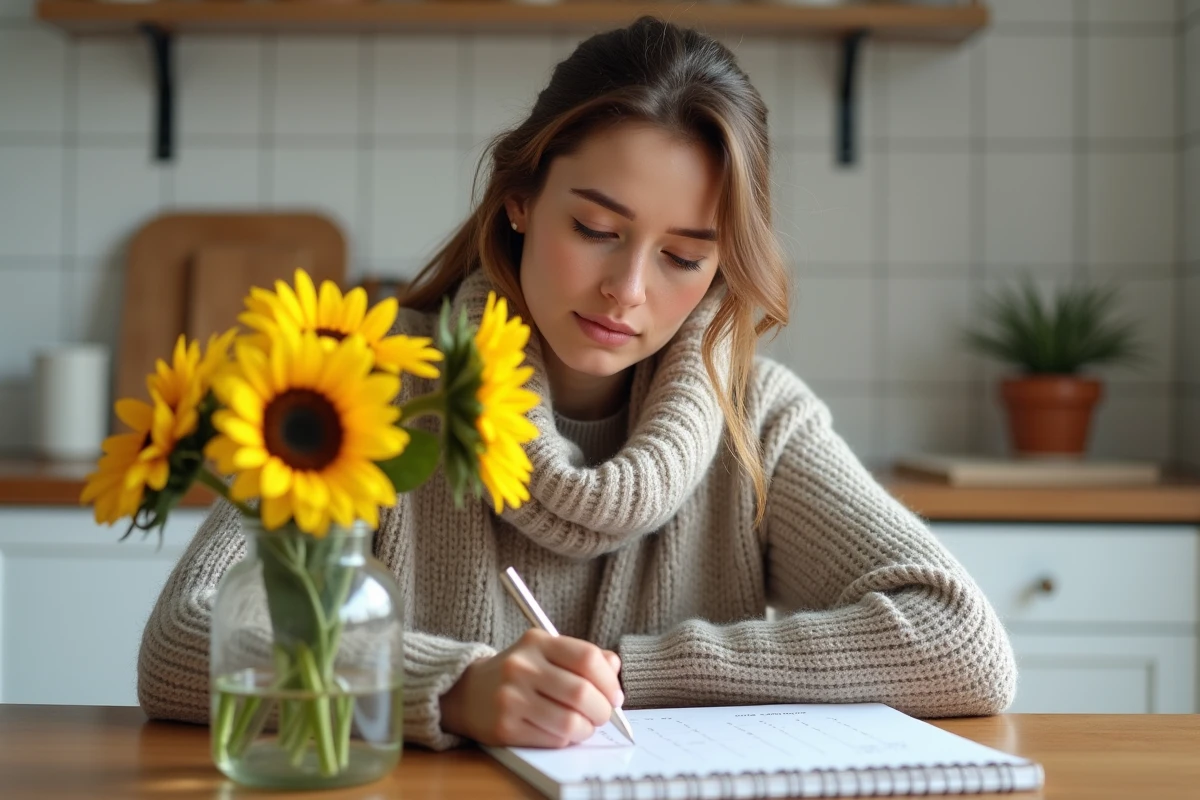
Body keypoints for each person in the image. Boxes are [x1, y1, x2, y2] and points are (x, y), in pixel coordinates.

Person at [138, 16, 1016, 752]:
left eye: (682, 256)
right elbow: (186, 639)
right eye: (596, 228)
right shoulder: (367, 386)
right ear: (520, 199)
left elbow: (962, 645)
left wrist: (623, 675)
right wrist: (454, 689)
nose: (628, 291)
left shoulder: (758, 418)